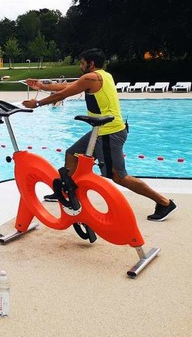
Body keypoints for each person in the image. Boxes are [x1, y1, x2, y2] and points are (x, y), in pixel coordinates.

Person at [21, 48, 176, 222]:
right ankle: (67, 192)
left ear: (91, 63)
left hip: (110, 132)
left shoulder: (90, 78)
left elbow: (64, 93)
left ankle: (164, 202)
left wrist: (38, 103)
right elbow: (70, 86)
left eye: (82, 63)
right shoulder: (104, 75)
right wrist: (42, 86)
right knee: (72, 154)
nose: (80, 66)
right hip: (101, 131)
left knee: (119, 177)